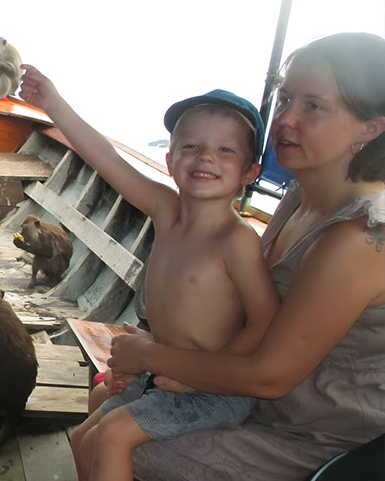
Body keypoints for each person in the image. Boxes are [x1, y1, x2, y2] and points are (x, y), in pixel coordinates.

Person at [106, 32, 385, 481]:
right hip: (250, 398)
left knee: (116, 445)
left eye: (313, 106)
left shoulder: (360, 238)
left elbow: (269, 376)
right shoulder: (300, 196)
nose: (285, 119)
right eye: (286, 99)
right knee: (103, 402)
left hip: (311, 438)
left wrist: (151, 356)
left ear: (371, 128)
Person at [19, 67, 280, 481]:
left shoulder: (236, 240)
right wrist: (53, 104)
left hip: (211, 389)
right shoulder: (165, 209)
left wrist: (202, 376)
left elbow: (266, 322)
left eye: (226, 150)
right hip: (162, 370)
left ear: (250, 173)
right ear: (170, 160)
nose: (206, 157)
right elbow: (106, 159)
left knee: (112, 436)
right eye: (191, 145)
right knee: (82, 437)